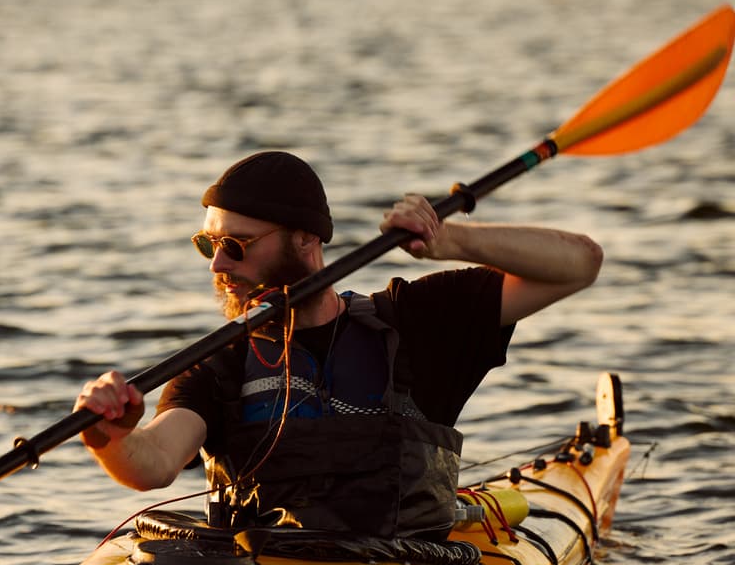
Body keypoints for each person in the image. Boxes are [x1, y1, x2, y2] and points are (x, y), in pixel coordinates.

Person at [74, 151, 602, 541]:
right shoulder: (222, 361)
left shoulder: (415, 320)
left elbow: (580, 264)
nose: (217, 265)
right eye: (209, 245)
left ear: (306, 240)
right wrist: (110, 436)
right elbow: (154, 463)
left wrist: (451, 241)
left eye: (235, 246)